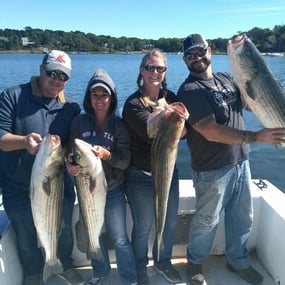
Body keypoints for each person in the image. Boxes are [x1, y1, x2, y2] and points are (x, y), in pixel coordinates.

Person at [177, 33, 285, 285]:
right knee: (207, 221)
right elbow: (210, 130)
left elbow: (251, 102)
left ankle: (237, 261)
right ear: (185, 61)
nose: (197, 58)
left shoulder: (226, 79)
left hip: (241, 162)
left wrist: (264, 89)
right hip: (211, 170)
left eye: (200, 52)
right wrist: (257, 137)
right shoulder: (189, 90)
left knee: (242, 217)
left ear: (210, 51)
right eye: (190, 56)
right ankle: (195, 263)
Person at [0, 50, 84, 285]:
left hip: (58, 186)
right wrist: (23, 141)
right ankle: (34, 274)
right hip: (17, 189)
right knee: (26, 241)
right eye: (52, 73)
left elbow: (72, 145)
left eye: (63, 76)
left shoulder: (71, 107)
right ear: (41, 69)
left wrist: (72, 158)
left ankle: (63, 267)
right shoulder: (12, 96)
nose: (57, 80)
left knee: (64, 232)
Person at [66, 68, 138, 285]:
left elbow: (125, 160)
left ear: (112, 97)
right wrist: (70, 164)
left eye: (104, 95)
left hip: (113, 190)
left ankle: (129, 278)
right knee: (93, 235)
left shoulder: (119, 125)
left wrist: (107, 155)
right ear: (89, 97)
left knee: (119, 238)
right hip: (86, 188)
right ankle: (100, 271)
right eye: (95, 95)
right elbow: (71, 152)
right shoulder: (79, 122)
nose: (99, 100)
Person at [122, 48, 182, 285]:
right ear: (141, 70)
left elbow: (184, 134)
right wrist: (167, 118)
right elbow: (150, 132)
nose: (155, 72)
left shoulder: (174, 96)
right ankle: (140, 267)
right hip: (140, 175)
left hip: (169, 171)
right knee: (144, 225)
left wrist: (179, 120)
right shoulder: (132, 104)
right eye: (150, 67)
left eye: (160, 68)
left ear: (165, 72)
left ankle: (163, 262)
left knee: (169, 223)